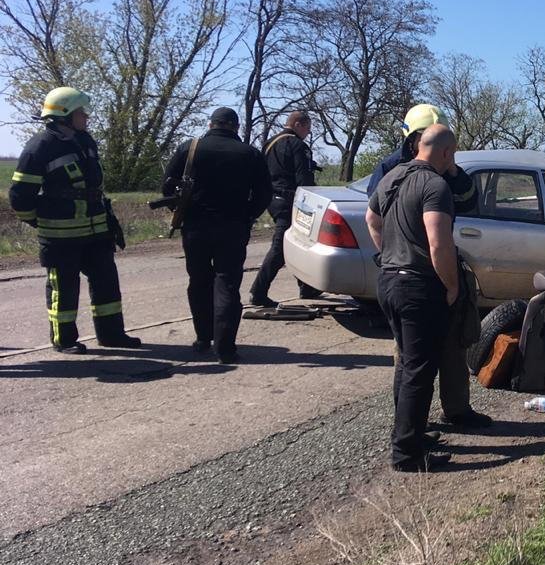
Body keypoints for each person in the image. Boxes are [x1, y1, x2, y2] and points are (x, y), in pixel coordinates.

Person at [368, 103, 488, 428]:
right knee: (411, 361)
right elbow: (375, 215)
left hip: (437, 269)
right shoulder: (391, 169)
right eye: (422, 135)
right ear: (411, 139)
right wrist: (394, 255)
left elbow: (469, 202)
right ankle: (409, 425)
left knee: (453, 344)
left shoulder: (443, 168)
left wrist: (451, 169)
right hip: (415, 277)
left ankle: (456, 410)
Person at [8, 87, 142, 353]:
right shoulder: (40, 147)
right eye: (82, 112)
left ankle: (111, 334)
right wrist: (38, 221)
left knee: (106, 284)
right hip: (60, 238)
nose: (86, 117)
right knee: (64, 290)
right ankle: (64, 340)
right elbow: (20, 195)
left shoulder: (85, 141)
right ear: (66, 114)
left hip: (97, 231)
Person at [161, 107, 271, 364]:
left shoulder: (190, 148)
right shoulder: (250, 154)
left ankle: (203, 338)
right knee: (227, 284)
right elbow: (264, 194)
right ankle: (225, 348)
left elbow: (167, 186)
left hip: (195, 227)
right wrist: (248, 216)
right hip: (233, 227)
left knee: (199, 280)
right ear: (235, 127)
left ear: (211, 125)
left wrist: (181, 209)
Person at [248, 110, 323, 307]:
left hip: (271, 199)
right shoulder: (298, 146)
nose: (308, 132)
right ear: (298, 124)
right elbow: (304, 180)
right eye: (307, 128)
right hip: (290, 201)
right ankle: (258, 292)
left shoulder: (269, 143)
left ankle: (306, 287)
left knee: (299, 243)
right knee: (281, 247)